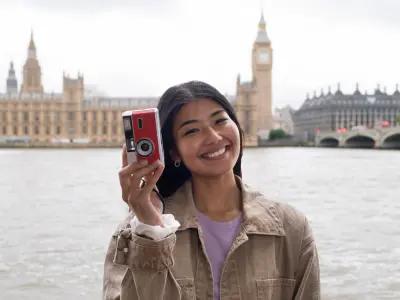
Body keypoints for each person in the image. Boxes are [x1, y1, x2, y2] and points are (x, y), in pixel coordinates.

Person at [103, 81, 320, 300]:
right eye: (192, 131)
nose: (214, 137)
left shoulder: (292, 228)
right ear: (173, 152)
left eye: (220, 121)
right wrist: (150, 230)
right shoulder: (135, 234)